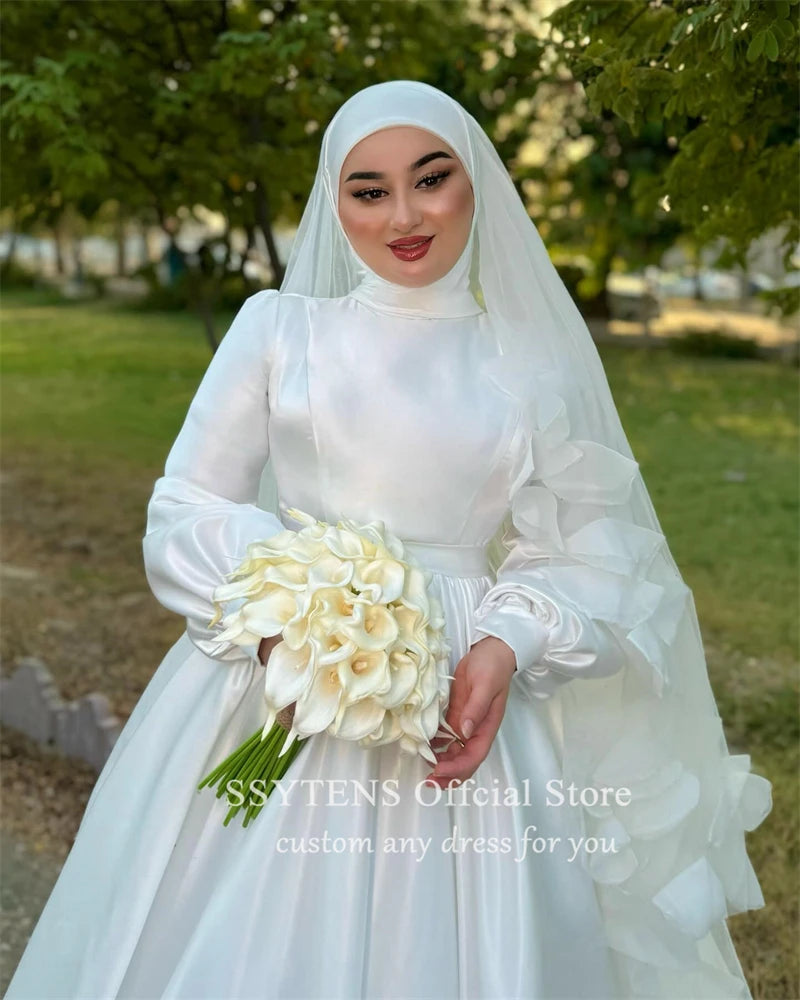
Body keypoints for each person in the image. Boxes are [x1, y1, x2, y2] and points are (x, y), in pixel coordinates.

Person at [7, 80, 771, 1000]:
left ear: (475, 183)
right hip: (273, 684)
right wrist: (285, 619)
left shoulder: (529, 364)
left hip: (455, 700)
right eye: (368, 190)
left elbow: (588, 545)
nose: (403, 214)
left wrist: (505, 642)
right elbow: (188, 503)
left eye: (431, 178)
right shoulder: (279, 331)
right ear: (337, 203)